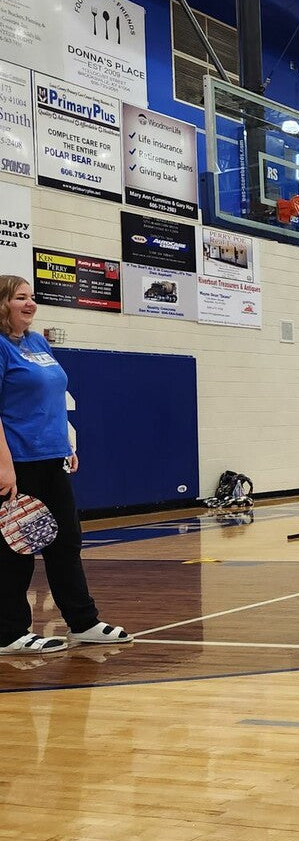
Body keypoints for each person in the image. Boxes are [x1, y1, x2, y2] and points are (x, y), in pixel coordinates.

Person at [0, 276, 132, 654]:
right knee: (17, 548)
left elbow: (53, 398)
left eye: (32, 297)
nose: (30, 304)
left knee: (66, 542)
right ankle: (8, 632)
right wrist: (4, 466)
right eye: (20, 298)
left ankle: (83, 623)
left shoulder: (37, 342)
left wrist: (65, 443)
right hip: (16, 463)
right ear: (2, 304)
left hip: (51, 456)